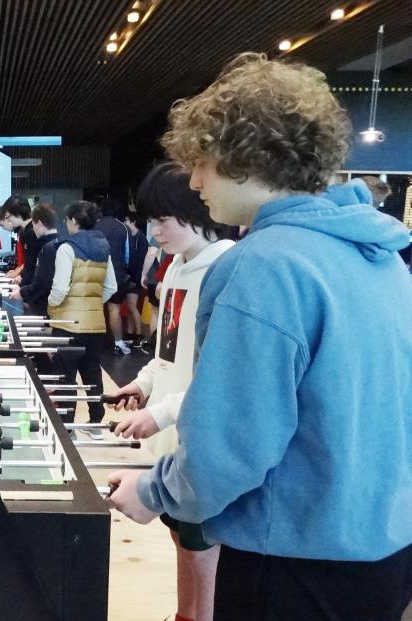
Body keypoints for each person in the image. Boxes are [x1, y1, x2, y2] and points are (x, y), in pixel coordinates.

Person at [107, 53, 412, 621]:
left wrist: (155, 493)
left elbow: (234, 441)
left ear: (247, 157)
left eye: (202, 162)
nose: (194, 182)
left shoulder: (264, 264)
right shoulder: (379, 256)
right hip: (383, 549)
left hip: (295, 559)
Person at [109, 162, 235, 621]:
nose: (154, 230)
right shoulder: (177, 269)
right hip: (172, 438)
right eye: (150, 220)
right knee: (180, 535)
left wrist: (160, 413)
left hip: (201, 440)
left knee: (202, 547)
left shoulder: (224, 267)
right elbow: (167, 350)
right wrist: (141, 386)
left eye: (163, 219)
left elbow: (223, 380)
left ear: (196, 210)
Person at [47, 201, 116, 427]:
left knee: (65, 375)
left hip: (68, 323)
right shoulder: (103, 248)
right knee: (92, 372)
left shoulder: (66, 248)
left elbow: (59, 289)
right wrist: (93, 304)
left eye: (67, 219)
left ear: (74, 220)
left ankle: (67, 425)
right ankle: (96, 422)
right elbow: (111, 287)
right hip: (95, 323)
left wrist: (51, 307)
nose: (66, 223)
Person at [94, 196, 132, 354]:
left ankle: (95, 344)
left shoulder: (95, 226)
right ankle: (118, 343)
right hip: (117, 272)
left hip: (97, 271)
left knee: (96, 308)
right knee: (114, 309)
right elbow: (127, 254)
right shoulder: (123, 228)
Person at [9, 203, 60, 317]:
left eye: (33, 224)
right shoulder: (61, 241)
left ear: (40, 223)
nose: (33, 228)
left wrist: (23, 292)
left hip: (44, 305)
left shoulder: (48, 248)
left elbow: (42, 281)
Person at [122, 212, 151, 347]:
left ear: (132, 222)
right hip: (131, 277)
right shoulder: (132, 237)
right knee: (130, 306)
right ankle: (129, 332)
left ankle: (139, 334)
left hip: (135, 278)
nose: (124, 223)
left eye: (126, 220)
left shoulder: (141, 239)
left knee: (132, 307)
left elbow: (139, 262)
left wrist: (134, 278)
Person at [0, 195, 38, 284]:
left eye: (8, 217)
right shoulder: (26, 230)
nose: (8, 220)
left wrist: (20, 277)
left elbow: (32, 263)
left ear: (17, 214)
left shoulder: (32, 231)